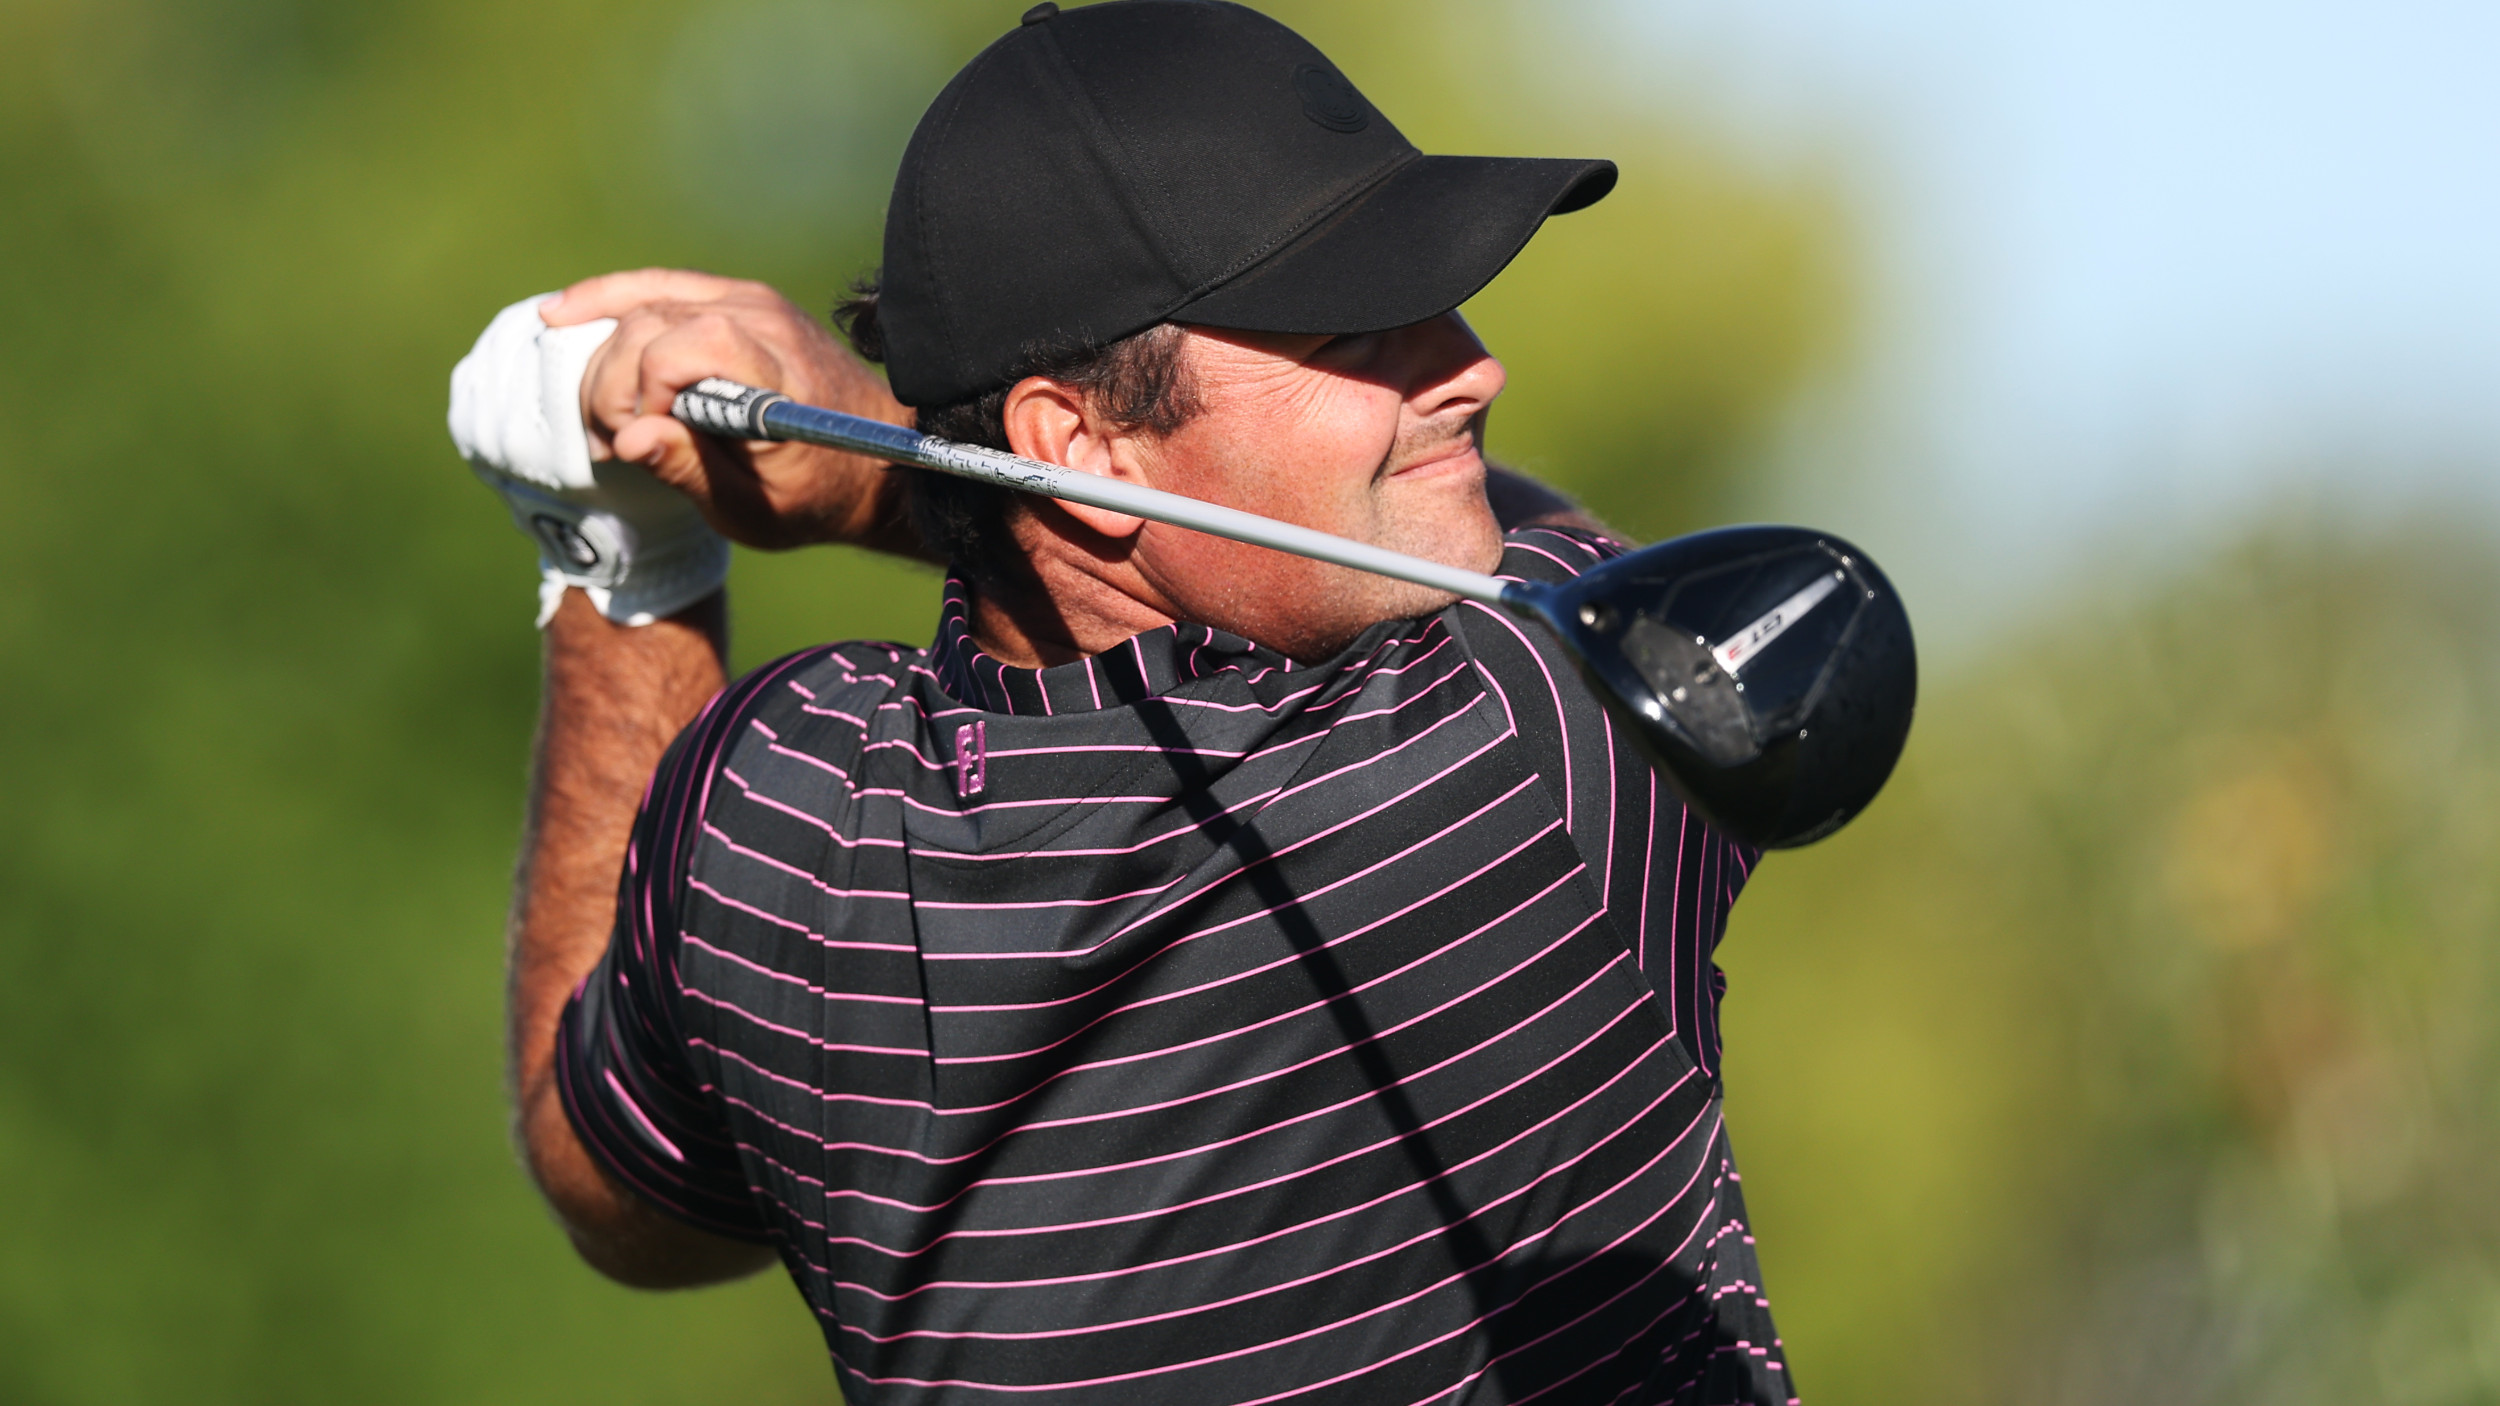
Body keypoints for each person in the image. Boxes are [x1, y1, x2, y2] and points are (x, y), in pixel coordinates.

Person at [450, 4, 1797, 1402]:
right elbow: (1596, 578)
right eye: (1356, 332)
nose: (1471, 366)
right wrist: (878, 465)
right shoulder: (1517, 737)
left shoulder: (783, 815)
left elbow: (608, 1183)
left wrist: (620, 560)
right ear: (1080, 448)